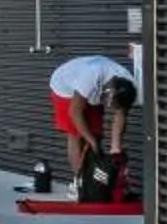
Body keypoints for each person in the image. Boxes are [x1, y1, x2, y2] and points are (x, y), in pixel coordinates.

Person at [46, 54, 140, 195]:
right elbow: (75, 112)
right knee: (77, 136)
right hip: (65, 87)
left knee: (96, 134)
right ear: (104, 91)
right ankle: (79, 184)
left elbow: (121, 114)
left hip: (91, 88)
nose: (109, 107)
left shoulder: (128, 85)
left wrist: (116, 149)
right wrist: (90, 140)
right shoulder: (90, 77)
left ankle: (96, 182)